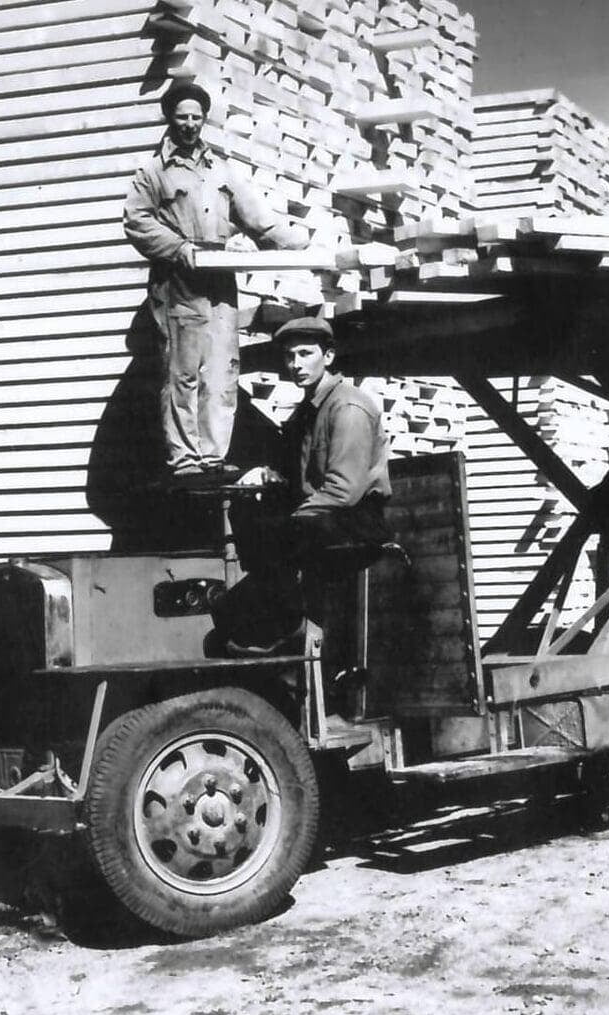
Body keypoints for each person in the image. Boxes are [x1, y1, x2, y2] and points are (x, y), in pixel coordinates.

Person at [123, 81, 308, 483]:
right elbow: (136, 222)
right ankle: (185, 457)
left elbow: (256, 216)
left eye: (196, 117)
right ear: (169, 119)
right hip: (180, 282)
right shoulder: (153, 172)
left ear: (203, 119)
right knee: (183, 371)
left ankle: (212, 454)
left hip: (220, 279)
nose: (189, 124)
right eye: (182, 117)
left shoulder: (220, 168)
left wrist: (285, 237)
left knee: (222, 370)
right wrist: (176, 247)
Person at [215, 316, 393, 662]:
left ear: (328, 356)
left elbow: (342, 491)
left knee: (278, 533)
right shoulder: (308, 410)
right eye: (289, 356)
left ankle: (288, 630)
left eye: (305, 353)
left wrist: (291, 517)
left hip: (354, 521)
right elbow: (298, 475)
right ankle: (278, 626)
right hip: (324, 516)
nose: (295, 364)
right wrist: (268, 476)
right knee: (250, 515)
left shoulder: (348, 407)